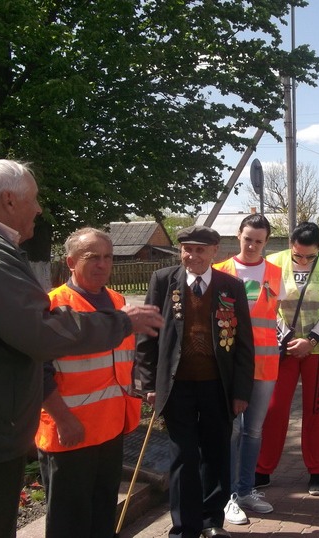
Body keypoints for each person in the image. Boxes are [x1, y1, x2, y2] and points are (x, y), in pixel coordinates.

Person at [0, 159, 164, 538]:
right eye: (34, 199)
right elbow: (39, 332)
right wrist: (123, 322)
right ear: (10, 200)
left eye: (107, 257)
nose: (39, 208)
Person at [134, 225, 254, 538]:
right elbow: (147, 334)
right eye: (187, 249)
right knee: (183, 457)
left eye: (201, 250)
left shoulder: (231, 287)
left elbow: (243, 343)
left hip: (218, 385)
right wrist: (148, 383)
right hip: (177, 386)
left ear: (215, 252)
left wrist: (241, 391)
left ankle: (211, 522)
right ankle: (184, 527)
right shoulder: (163, 281)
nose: (193, 255)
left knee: (215, 453)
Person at [35, 227, 143, 537]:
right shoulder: (53, 306)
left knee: (101, 517)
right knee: (69, 522)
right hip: (70, 433)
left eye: (108, 257)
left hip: (110, 429)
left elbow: (126, 360)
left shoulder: (119, 301)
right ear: (70, 262)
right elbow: (38, 372)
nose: (102, 264)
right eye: (92, 257)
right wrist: (63, 419)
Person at [255, 222, 319, 496]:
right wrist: (286, 337)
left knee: (317, 410)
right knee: (274, 408)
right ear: (290, 246)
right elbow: (265, 305)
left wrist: (312, 339)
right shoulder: (273, 262)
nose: (303, 261)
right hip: (283, 348)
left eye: (309, 256)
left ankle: (316, 472)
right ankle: (262, 469)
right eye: (298, 256)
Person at [212, 214, 284, 525]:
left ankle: (245, 490)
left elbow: (279, 317)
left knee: (254, 430)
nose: (252, 245)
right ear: (238, 237)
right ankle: (227, 496)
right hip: (229, 364)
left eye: (258, 240)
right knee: (233, 429)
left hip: (265, 361)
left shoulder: (277, 274)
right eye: (247, 238)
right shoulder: (221, 272)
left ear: (266, 242)